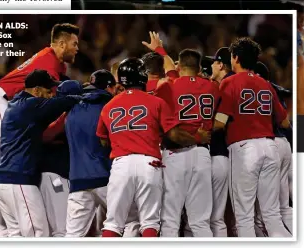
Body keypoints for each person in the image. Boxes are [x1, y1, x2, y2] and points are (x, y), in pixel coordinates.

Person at [0, 22, 80, 237]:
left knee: (4, 148)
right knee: (2, 142)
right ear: (61, 44)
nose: (77, 48)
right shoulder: (49, 61)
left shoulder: (57, 63)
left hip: (7, 101)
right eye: (74, 43)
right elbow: (54, 100)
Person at [96, 58, 211, 237]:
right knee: (150, 223)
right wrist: (197, 137)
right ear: (142, 76)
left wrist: (124, 137)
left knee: (113, 224)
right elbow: (174, 135)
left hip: (121, 164)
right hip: (149, 164)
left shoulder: (108, 106)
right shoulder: (155, 102)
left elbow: (103, 141)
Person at [213, 37, 291, 237]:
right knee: (272, 215)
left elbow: (220, 122)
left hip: (245, 149)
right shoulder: (265, 83)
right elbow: (284, 122)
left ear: (236, 58)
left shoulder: (230, 82)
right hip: (270, 146)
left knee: (245, 217)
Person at [0, 70, 80, 237]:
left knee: (16, 236)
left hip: (3, 182)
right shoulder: (30, 105)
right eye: (48, 92)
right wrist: (88, 96)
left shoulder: (15, 104)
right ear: (37, 90)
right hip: (19, 180)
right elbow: (66, 102)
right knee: (38, 235)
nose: (50, 96)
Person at [64, 69, 139, 237]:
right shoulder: (111, 108)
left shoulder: (72, 109)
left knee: (73, 236)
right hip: (105, 177)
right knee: (131, 222)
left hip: (77, 181)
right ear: (109, 87)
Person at [155, 49, 218, 237]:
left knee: (170, 220)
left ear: (179, 66)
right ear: (199, 68)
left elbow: (168, 129)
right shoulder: (213, 86)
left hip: (176, 153)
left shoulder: (167, 86)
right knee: (200, 222)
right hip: (202, 153)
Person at [39, 80, 83, 237]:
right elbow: (44, 136)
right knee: (61, 229)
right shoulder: (56, 114)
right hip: (54, 178)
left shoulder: (55, 113)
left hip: (52, 176)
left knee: (53, 230)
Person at [254, 61, 293, 234]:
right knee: (284, 208)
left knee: (265, 214)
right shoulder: (274, 89)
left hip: (270, 144)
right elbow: (286, 122)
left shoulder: (254, 89)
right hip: (284, 143)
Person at [206, 47, 235, 237]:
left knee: (212, 218)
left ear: (221, 65)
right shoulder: (233, 83)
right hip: (232, 155)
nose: (211, 65)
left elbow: (219, 125)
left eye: (214, 62)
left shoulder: (225, 85)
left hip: (222, 154)